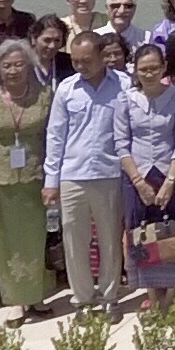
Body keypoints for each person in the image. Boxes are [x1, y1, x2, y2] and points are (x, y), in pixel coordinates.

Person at [43, 30, 131, 315]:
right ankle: (82, 299)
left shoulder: (124, 85)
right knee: (74, 242)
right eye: (76, 61)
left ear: (102, 56)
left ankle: (108, 298)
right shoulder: (67, 89)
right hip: (73, 175)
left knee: (109, 240)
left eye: (87, 60)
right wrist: (51, 180)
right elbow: (55, 136)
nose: (81, 66)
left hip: (109, 173)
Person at [0, 40, 58, 313]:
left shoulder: (45, 95)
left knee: (36, 240)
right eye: (7, 65)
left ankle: (36, 295)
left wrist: (54, 179)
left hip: (38, 179)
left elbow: (54, 138)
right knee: (7, 241)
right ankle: (15, 300)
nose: (13, 70)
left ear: (30, 65)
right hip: (3, 183)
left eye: (19, 64)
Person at [116, 42, 175, 306]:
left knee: (170, 230)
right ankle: (151, 292)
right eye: (143, 69)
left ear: (163, 68)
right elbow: (121, 143)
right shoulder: (125, 99)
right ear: (135, 71)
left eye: (153, 68)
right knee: (141, 233)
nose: (148, 73)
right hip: (136, 175)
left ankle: (171, 291)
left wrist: (170, 181)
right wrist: (138, 182)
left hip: (168, 172)